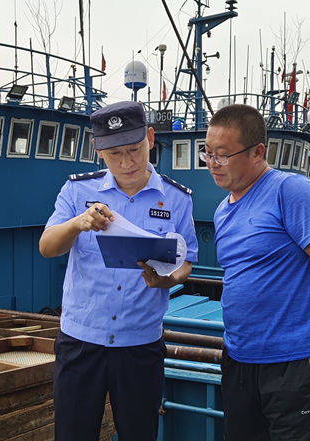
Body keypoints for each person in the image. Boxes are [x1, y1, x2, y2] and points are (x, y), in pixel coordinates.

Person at [39, 101, 198, 441]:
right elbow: (47, 247)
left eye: (134, 150)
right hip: (81, 341)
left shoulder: (177, 199)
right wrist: (78, 223)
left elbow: (186, 262)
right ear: (97, 150)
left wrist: (167, 279)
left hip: (140, 344)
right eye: (114, 154)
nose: (126, 163)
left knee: (139, 435)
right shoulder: (77, 190)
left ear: (151, 138)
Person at [202, 104, 310, 441]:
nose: (212, 163)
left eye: (223, 155)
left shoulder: (291, 191)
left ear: (258, 152)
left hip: (296, 362)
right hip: (240, 359)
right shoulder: (222, 211)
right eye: (207, 153)